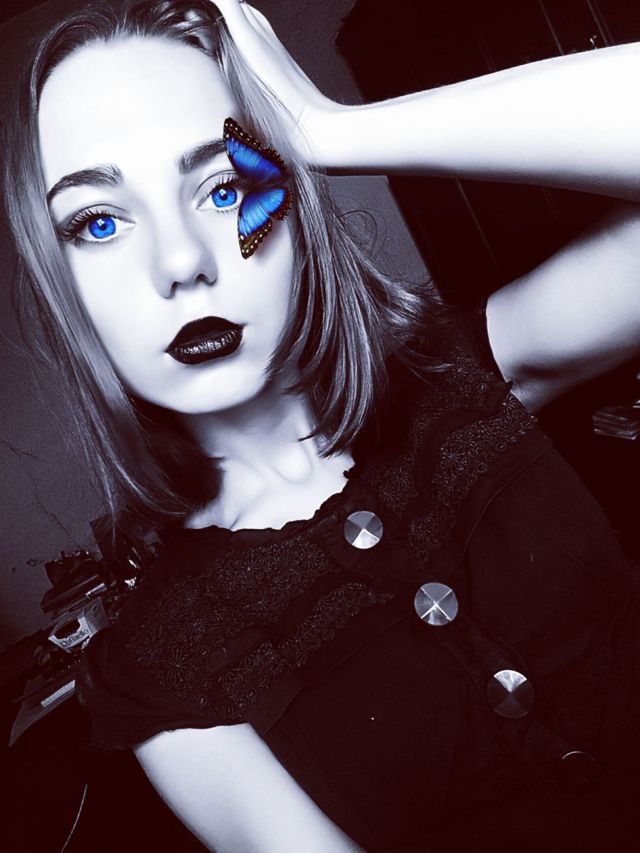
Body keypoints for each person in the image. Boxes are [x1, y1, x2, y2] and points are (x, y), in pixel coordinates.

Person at [4, 0, 640, 850]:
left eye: (226, 186)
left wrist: (331, 131)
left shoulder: (465, 377)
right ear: (61, 285)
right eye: (99, 222)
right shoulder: (160, 674)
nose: (181, 262)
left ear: (296, 205)